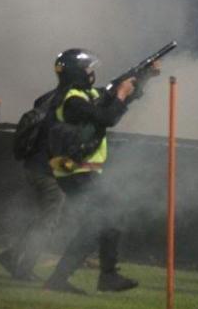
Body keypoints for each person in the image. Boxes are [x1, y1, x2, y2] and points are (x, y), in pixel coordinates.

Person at [42, 48, 159, 294]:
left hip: (80, 171)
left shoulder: (82, 95)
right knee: (99, 222)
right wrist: (121, 95)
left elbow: (115, 96)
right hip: (77, 171)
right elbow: (107, 117)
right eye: (87, 68)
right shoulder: (73, 99)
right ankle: (88, 277)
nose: (91, 72)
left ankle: (102, 276)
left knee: (104, 221)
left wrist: (144, 76)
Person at [0, 90, 66, 281]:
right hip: (48, 170)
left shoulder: (48, 98)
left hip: (34, 167)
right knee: (47, 222)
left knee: (40, 218)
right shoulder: (69, 102)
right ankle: (24, 269)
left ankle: (11, 256)